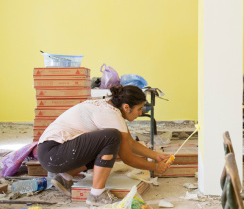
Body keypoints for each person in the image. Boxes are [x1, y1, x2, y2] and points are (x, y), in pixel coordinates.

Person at [37, 85, 171, 206]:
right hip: (54, 154)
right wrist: (155, 167)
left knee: (109, 141)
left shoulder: (108, 108)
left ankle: (65, 177)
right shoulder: (111, 115)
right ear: (126, 107)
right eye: (139, 109)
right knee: (112, 137)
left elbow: (130, 142)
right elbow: (127, 158)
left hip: (51, 153)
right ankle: (96, 195)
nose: (141, 113)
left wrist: (157, 156)